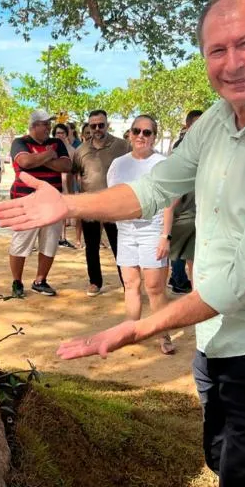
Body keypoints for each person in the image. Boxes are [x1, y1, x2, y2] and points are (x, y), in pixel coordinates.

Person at [0, 0, 245, 487]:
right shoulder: (216, 121)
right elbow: (154, 190)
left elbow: (240, 283)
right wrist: (65, 205)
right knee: (219, 455)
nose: (232, 64)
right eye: (216, 50)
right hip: (215, 329)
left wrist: (133, 329)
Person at [107, 115, 179, 355]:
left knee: (155, 288)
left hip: (153, 230)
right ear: (129, 134)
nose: (141, 136)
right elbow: (114, 197)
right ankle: (131, 331)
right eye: (136, 131)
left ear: (154, 137)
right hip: (126, 232)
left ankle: (163, 333)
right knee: (130, 284)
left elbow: (169, 203)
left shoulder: (162, 164)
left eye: (147, 132)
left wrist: (165, 236)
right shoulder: (118, 164)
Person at [7, 109, 72, 297]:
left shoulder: (57, 143)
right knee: (21, 242)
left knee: (50, 242)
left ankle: (40, 280)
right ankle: (17, 282)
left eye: (48, 124)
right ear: (34, 126)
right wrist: (49, 155)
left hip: (52, 203)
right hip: (26, 202)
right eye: (45, 124)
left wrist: (40, 159)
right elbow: (25, 162)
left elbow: (66, 166)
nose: (49, 127)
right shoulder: (20, 142)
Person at [71, 109, 131, 296]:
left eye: (101, 125)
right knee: (91, 245)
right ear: (89, 126)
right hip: (90, 205)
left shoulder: (122, 146)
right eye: (93, 125)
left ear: (107, 125)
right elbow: (76, 174)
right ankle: (95, 282)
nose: (97, 129)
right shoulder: (81, 150)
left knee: (119, 245)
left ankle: (127, 282)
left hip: (115, 205)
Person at [167, 109, 204, 295]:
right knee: (181, 252)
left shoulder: (211, 146)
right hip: (183, 210)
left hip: (202, 210)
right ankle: (179, 280)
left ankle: (192, 289)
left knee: (195, 256)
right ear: (188, 126)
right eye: (196, 124)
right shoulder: (181, 148)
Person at [53, 123, 78, 249]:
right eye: (57, 133)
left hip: (66, 185)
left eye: (62, 133)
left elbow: (73, 171)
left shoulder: (72, 150)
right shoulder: (50, 148)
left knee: (63, 212)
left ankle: (62, 237)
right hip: (52, 184)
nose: (60, 135)